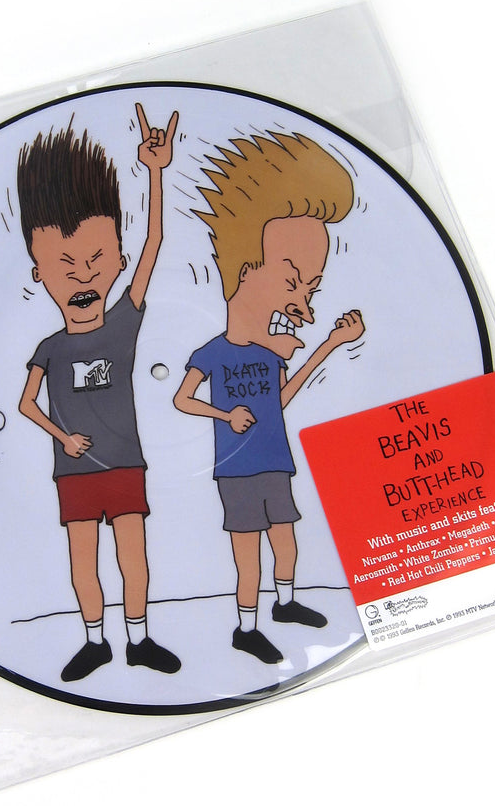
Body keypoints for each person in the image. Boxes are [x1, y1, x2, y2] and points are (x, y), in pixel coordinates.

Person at [174, 131, 365, 663]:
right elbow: (182, 399)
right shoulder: (212, 351)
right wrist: (224, 413)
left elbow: (281, 399)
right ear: (245, 270)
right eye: (292, 281)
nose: (304, 304)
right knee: (247, 554)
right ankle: (246, 628)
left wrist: (330, 343)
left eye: (312, 288)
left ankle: (285, 604)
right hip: (236, 471)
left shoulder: (272, 352)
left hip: (275, 463)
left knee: (286, 539)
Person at [18, 105, 182, 682]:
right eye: (64, 263)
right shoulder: (48, 347)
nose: (83, 275)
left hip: (125, 464)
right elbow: (26, 403)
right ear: (38, 270)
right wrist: (63, 438)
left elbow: (154, 240)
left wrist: (155, 172)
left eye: (96, 259)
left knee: (132, 556)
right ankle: (95, 642)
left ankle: (138, 639)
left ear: (116, 259)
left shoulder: (123, 324)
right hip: (74, 471)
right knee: (83, 561)